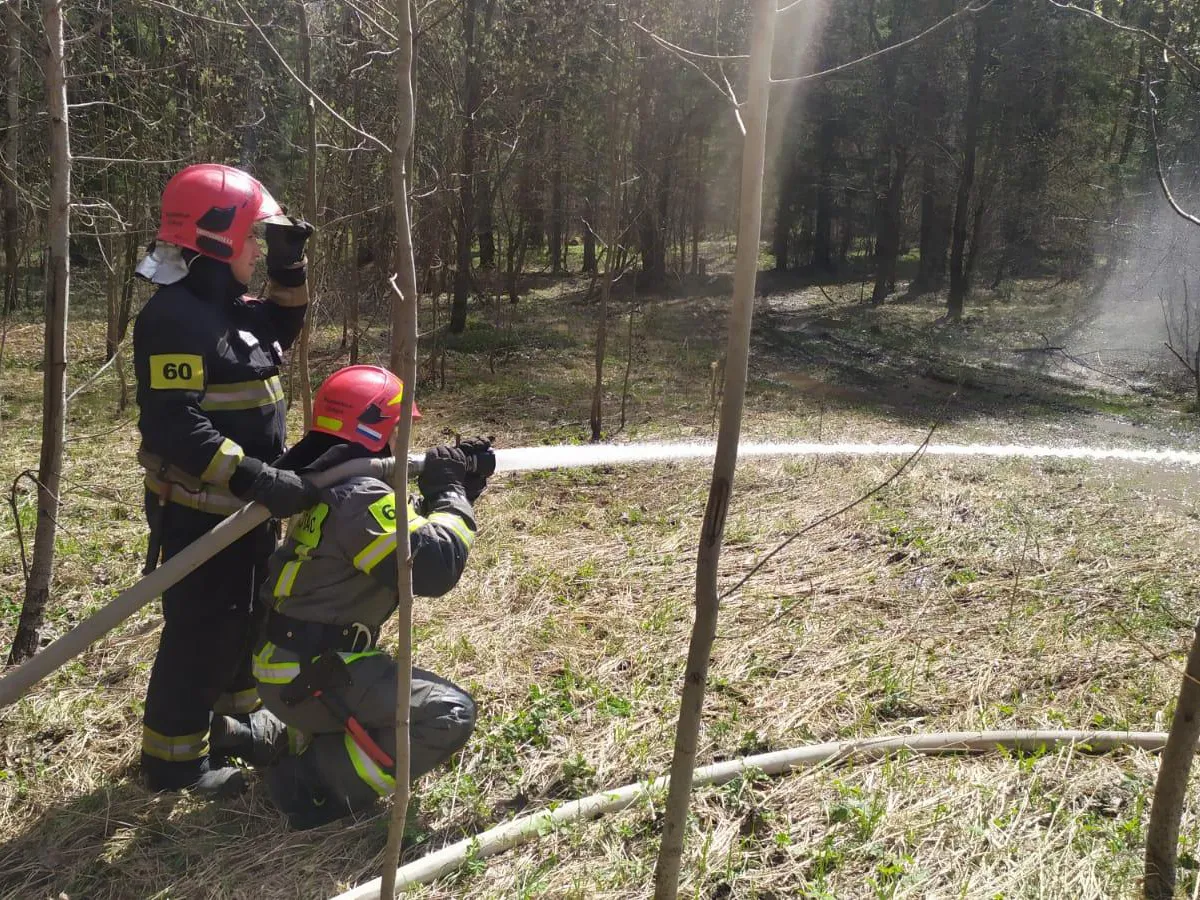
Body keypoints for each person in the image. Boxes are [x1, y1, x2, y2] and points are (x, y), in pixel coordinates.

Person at [211, 364, 492, 829]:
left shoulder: (329, 484)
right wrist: (449, 493)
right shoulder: (359, 495)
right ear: (375, 429)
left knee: (366, 693)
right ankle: (309, 782)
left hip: (289, 662)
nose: (404, 439)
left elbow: (401, 542)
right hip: (312, 671)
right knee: (449, 714)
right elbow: (433, 568)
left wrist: (460, 491)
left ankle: (264, 736)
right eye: (399, 428)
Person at [133, 163, 318, 795]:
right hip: (200, 512)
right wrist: (256, 478)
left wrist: (289, 268)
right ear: (216, 237)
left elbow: (281, 326)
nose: (257, 251)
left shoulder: (231, 309)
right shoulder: (173, 319)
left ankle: (233, 727)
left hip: (244, 509)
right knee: (202, 631)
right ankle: (173, 762)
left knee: (245, 620)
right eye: (253, 239)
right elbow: (174, 426)